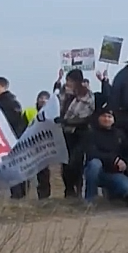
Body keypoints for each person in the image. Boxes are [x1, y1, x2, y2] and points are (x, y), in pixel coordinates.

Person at [82, 104, 128, 208]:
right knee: (95, 163)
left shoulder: (119, 134)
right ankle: (90, 199)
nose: (106, 119)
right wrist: (114, 159)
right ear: (98, 118)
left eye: (109, 116)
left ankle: (111, 195)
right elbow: (91, 153)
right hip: (95, 172)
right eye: (104, 116)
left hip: (112, 173)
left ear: (113, 119)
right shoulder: (91, 133)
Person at [57, 68, 95, 198]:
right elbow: (55, 102)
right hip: (65, 133)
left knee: (76, 162)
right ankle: (69, 190)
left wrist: (67, 121)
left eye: (71, 81)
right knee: (65, 163)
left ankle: (78, 187)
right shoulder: (63, 94)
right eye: (67, 80)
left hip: (80, 133)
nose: (68, 83)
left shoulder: (86, 96)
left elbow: (86, 117)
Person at [0, 77, 27, 199]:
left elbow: (12, 122)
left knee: (12, 167)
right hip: (11, 139)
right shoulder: (9, 101)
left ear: (4, 87)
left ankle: (17, 194)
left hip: (9, 139)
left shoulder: (6, 103)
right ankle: (18, 193)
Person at [26, 91, 52, 199]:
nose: (43, 100)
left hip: (44, 146)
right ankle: (23, 195)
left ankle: (44, 196)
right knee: (26, 171)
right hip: (29, 146)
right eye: (41, 98)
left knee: (43, 172)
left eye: (46, 98)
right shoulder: (29, 111)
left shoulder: (52, 113)